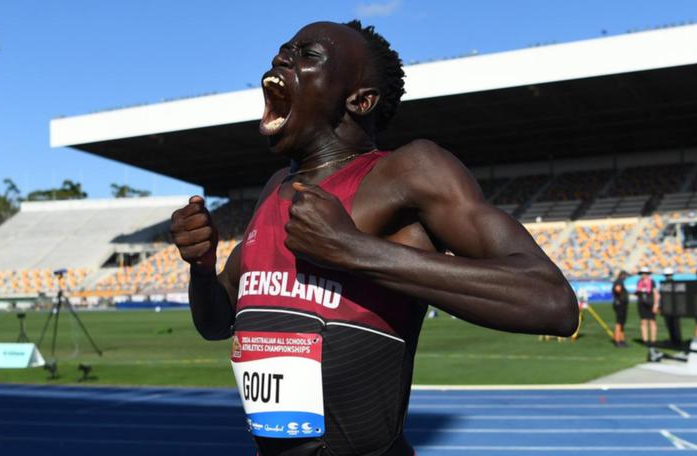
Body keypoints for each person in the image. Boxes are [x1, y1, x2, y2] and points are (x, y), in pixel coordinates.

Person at [171, 20, 579, 456]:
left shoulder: (408, 172)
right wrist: (200, 268)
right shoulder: (273, 190)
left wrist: (353, 250)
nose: (281, 58)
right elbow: (216, 323)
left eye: (307, 55)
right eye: (282, 51)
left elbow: (551, 302)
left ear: (360, 100)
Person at [635, 267, 659, 346]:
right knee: (643, 322)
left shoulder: (652, 282)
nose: (643, 275)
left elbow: (656, 294)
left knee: (652, 322)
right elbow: (637, 293)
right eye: (642, 273)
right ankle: (645, 340)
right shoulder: (639, 282)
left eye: (645, 273)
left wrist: (655, 305)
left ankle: (653, 341)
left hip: (650, 304)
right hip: (641, 304)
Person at [661, 267, 682, 347]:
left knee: (674, 325)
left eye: (668, 275)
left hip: (672, 308)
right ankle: (674, 340)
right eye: (667, 275)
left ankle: (676, 340)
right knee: (671, 325)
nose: (668, 277)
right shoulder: (664, 284)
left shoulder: (673, 284)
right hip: (668, 308)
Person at [611, 270, 629, 348]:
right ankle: (617, 340)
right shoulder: (619, 281)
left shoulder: (619, 281)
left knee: (621, 323)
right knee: (619, 323)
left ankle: (621, 339)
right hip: (620, 304)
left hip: (621, 304)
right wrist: (622, 295)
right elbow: (617, 289)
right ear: (623, 275)